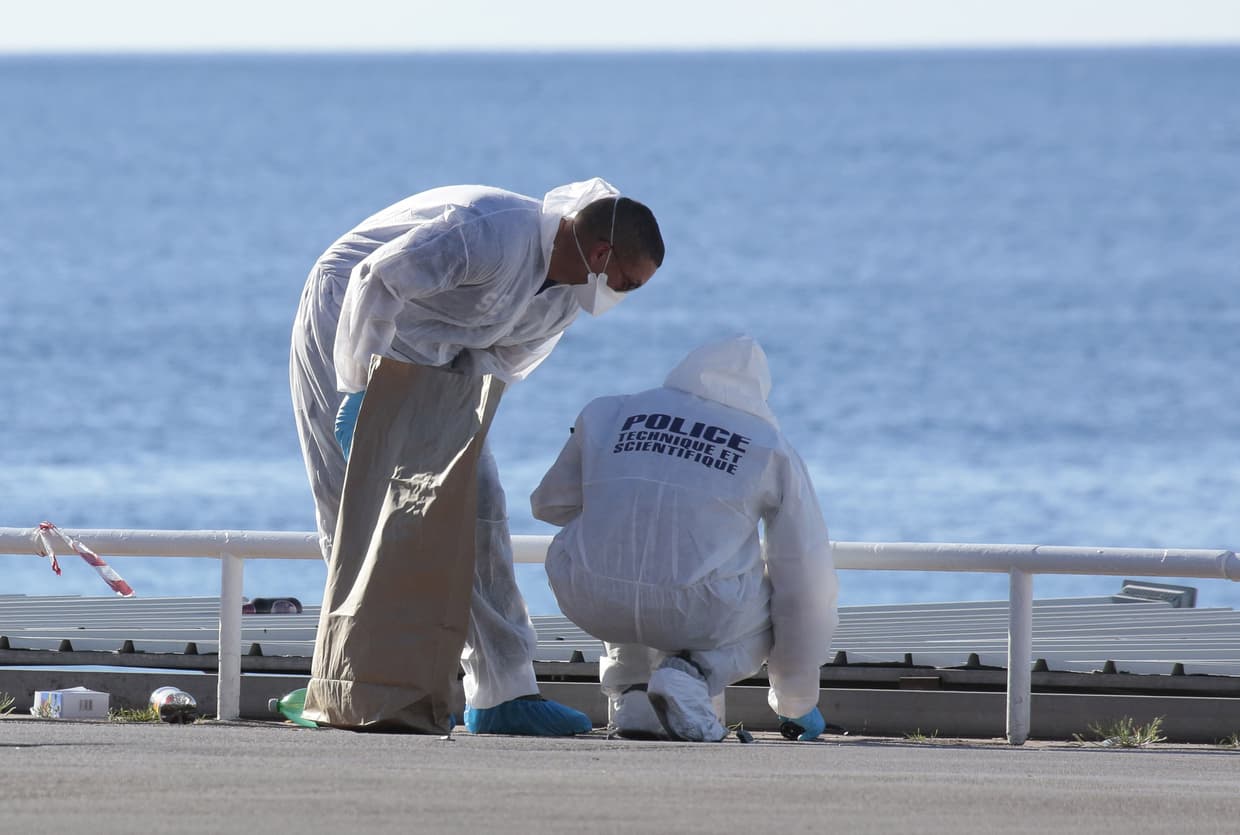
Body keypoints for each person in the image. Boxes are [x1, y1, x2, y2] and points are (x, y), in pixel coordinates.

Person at [289, 178, 664, 735]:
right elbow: (376, 280)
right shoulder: (487, 231)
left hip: (437, 358)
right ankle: (350, 679)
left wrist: (455, 448)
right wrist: (356, 388)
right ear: (603, 255)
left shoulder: (563, 301)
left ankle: (501, 692)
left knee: (478, 505)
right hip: (344, 321)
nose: (623, 295)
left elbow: (498, 363)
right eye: (627, 284)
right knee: (352, 507)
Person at [530, 335, 837, 742]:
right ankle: (694, 675)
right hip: (699, 611)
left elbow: (548, 505)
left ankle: (633, 695)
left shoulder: (610, 412)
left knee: (615, 547)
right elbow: (805, 580)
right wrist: (796, 701)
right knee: (781, 597)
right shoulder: (767, 447)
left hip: (589, 597)